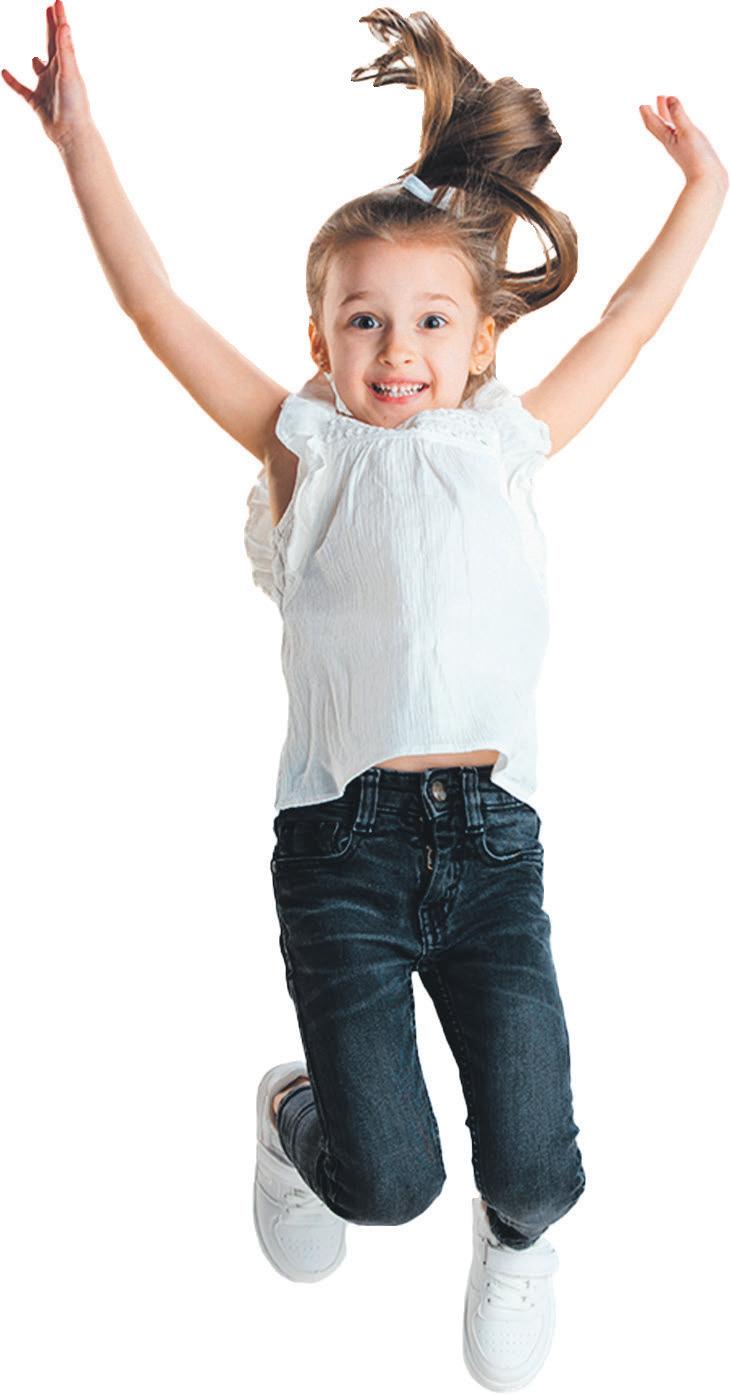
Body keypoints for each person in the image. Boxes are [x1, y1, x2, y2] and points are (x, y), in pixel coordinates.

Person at [4, 5, 727, 1390]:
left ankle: (516, 1239)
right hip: (342, 851)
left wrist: (706, 187)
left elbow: (630, 324)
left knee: (539, 1170)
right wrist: (79, 144)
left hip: (493, 848)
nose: (397, 348)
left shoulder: (510, 443)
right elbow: (157, 307)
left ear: (480, 341)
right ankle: (298, 1120)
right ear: (323, 339)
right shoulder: (308, 454)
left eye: (430, 320)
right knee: (385, 1186)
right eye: (363, 321)